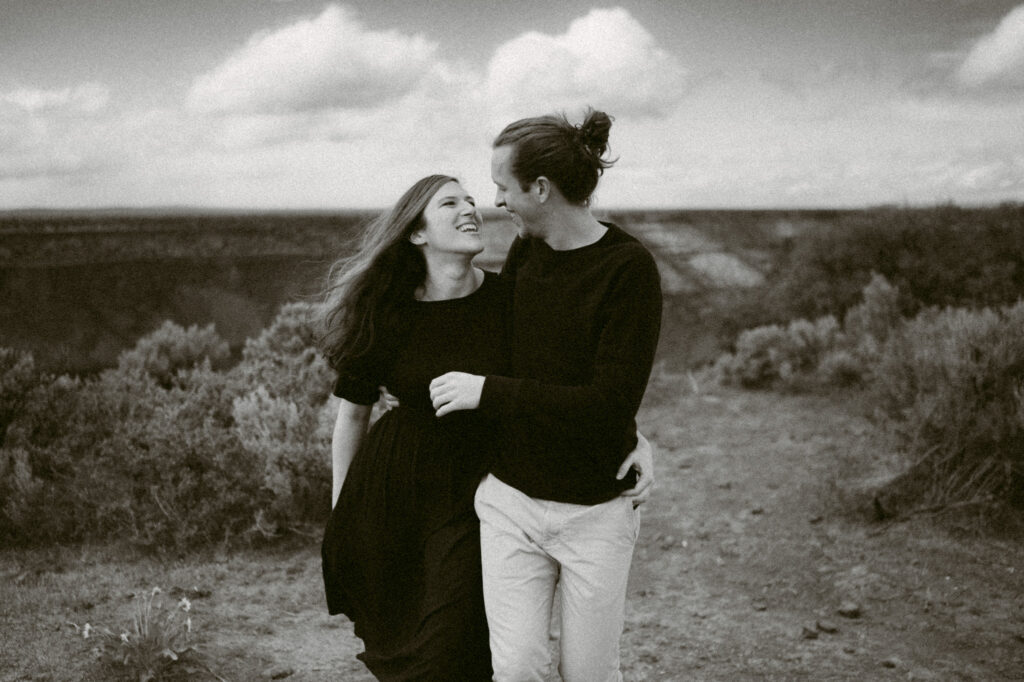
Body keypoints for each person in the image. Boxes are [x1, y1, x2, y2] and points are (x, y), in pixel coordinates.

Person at [427, 108, 663, 682]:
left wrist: (490, 394)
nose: (496, 202)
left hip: (595, 515)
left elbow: (606, 402)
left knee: (588, 675)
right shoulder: (526, 253)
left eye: (502, 187)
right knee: (515, 671)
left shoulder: (628, 271)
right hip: (511, 503)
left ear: (540, 188)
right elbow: (509, 355)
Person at [318, 174, 503, 680]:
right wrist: (341, 510)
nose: (470, 208)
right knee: (400, 637)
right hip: (392, 492)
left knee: (454, 639)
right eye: (450, 203)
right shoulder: (387, 312)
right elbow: (353, 414)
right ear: (418, 234)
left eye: (471, 200)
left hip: (474, 492)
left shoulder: (508, 301)